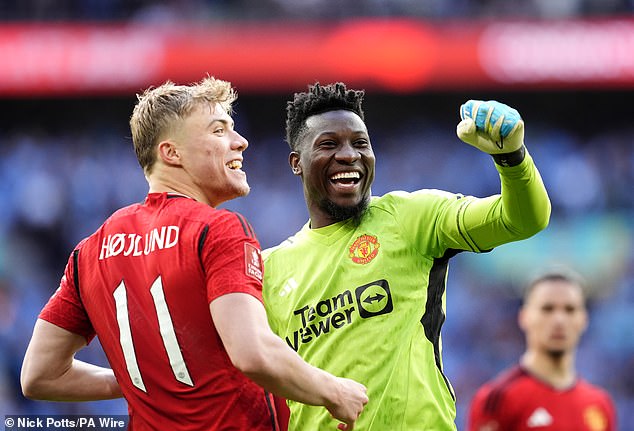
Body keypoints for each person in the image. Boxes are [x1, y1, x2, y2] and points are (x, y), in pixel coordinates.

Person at [20, 77, 368, 431]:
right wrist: (334, 391)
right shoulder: (216, 229)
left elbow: (40, 374)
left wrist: (140, 379)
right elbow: (252, 353)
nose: (240, 142)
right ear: (172, 154)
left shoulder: (90, 251)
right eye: (219, 131)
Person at [262, 82, 551, 430]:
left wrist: (512, 157)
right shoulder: (269, 270)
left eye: (360, 143)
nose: (349, 155)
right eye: (328, 144)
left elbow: (522, 220)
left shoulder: (411, 217)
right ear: (297, 163)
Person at [467, 270, 617, 431]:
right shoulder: (498, 399)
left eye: (569, 310)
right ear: (525, 317)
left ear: (583, 319)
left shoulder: (599, 404)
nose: (559, 320)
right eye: (548, 309)